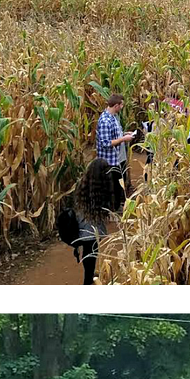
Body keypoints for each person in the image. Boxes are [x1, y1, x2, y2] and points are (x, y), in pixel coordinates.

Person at [60, 157, 116, 286]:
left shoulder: (82, 183)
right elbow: (110, 206)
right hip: (94, 225)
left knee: (88, 252)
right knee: (91, 253)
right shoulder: (105, 187)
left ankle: (88, 277)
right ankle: (87, 281)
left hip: (81, 222)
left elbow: (75, 202)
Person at [95, 94, 138, 208]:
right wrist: (124, 139)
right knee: (112, 187)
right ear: (116, 105)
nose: (123, 107)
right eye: (121, 104)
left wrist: (124, 134)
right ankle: (111, 210)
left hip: (118, 158)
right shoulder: (105, 121)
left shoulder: (113, 117)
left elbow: (114, 135)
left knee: (119, 185)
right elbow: (106, 143)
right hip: (110, 161)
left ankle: (119, 206)